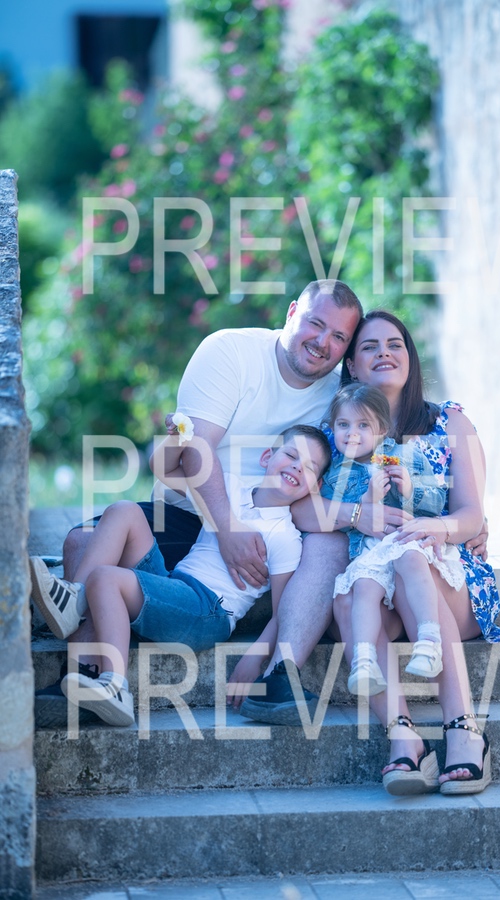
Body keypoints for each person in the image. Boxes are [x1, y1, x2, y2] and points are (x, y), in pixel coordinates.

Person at [35, 279, 364, 726]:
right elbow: (184, 456)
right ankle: (86, 675)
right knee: (87, 537)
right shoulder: (231, 351)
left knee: (98, 563)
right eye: (315, 324)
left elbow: (383, 419)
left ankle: (97, 667)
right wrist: (225, 526)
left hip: (240, 558)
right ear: (291, 314)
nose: (323, 342)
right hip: (194, 513)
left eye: (339, 336)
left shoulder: (338, 397)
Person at [241, 310, 500, 798]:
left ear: (409, 357)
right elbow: (301, 509)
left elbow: (471, 515)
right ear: (352, 366)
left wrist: (436, 527)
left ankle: (464, 729)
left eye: (394, 344)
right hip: (376, 580)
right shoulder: (338, 430)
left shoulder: (450, 422)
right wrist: (356, 515)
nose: (384, 352)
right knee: (348, 597)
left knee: (412, 560)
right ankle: (404, 736)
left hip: (447, 578)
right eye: (369, 346)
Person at [29, 426, 331, 726]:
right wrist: (178, 436)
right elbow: (165, 469)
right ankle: (74, 599)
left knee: (106, 578)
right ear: (267, 457)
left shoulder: (285, 537)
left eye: (309, 467)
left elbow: (282, 612)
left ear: (315, 486)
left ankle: (115, 685)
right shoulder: (230, 489)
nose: (296, 467)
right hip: (175, 584)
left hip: (208, 611)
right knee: (124, 510)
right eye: (291, 455)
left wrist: (255, 657)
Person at [321, 382, 465, 694]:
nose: (352, 433)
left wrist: (411, 489)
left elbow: (438, 502)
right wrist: (366, 501)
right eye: (343, 425)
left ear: (382, 430)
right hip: (369, 550)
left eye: (363, 425)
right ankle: (364, 661)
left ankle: (429, 642)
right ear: (333, 428)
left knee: (410, 559)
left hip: (406, 539)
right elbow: (335, 520)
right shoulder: (334, 473)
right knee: (364, 587)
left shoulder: (406, 456)